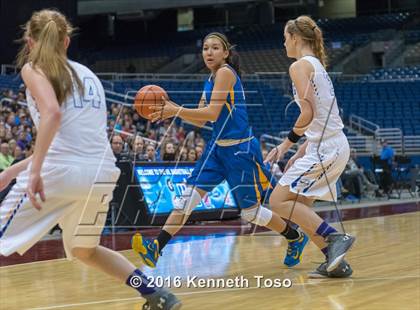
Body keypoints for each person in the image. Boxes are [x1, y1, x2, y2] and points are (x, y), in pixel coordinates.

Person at [0, 9, 181, 310]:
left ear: (29, 41)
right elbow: (70, 142)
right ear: (66, 41)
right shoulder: (88, 75)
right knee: (85, 250)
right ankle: (155, 293)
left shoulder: (33, 68)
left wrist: (33, 173)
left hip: (60, 174)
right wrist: (13, 172)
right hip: (100, 175)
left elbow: (52, 115)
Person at [132, 32, 308, 269]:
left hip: (240, 151)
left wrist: (176, 110)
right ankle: (156, 248)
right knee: (186, 200)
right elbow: (202, 121)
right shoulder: (210, 78)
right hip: (216, 150)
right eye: (205, 48)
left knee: (251, 213)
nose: (209, 52)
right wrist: (170, 111)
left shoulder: (225, 73)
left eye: (215, 48)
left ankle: (294, 237)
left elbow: (212, 114)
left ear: (225, 53)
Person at [264, 16, 355, 278]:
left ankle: (335, 238)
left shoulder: (299, 67)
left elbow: (308, 113)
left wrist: (285, 145)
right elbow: (321, 116)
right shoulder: (317, 66)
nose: (283, 44)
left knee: (278, 201)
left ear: (295, 38)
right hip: (329, 144)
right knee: (300, 206)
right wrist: (302, 151)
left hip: (327, 147)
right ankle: (335, 262)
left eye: (285, 39)